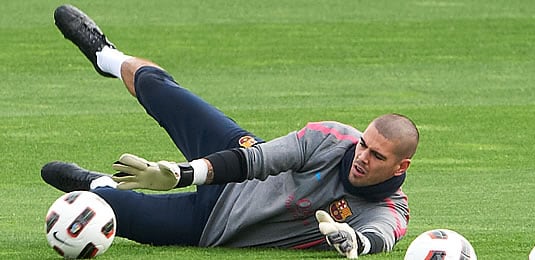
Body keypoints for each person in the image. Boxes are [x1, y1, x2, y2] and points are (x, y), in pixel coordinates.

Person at [42, 4, 419, 259]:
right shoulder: (333, 139)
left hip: (211, 226)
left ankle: (96, 183)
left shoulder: (390, 209)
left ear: (400, 167)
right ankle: (106, 56)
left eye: (377, 156)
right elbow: (257, 160)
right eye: (365, 144)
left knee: (102, 212)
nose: (362, 156)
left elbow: (382, 236)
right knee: (164, 92)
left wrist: (355, 242)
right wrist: (181, 174)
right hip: (235, 160)